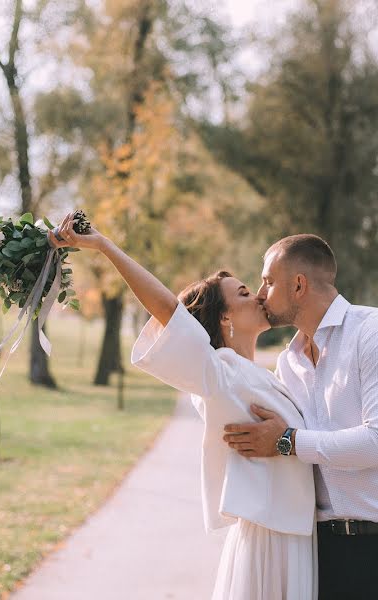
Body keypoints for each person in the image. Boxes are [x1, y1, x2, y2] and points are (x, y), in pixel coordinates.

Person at [47, 214, 318, 600]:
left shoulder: (265, 374)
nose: (258, 295)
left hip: (296, 537)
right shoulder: (220, 375)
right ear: (224, 316)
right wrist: (106, 247)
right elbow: (168, 311)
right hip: (269, 543)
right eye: (244, 292)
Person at [222, 234, 378, 600]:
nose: (261, 294)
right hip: (327, 554)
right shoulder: (289, 363)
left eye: (267, 281)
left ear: (298, 285)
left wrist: (287, 441)